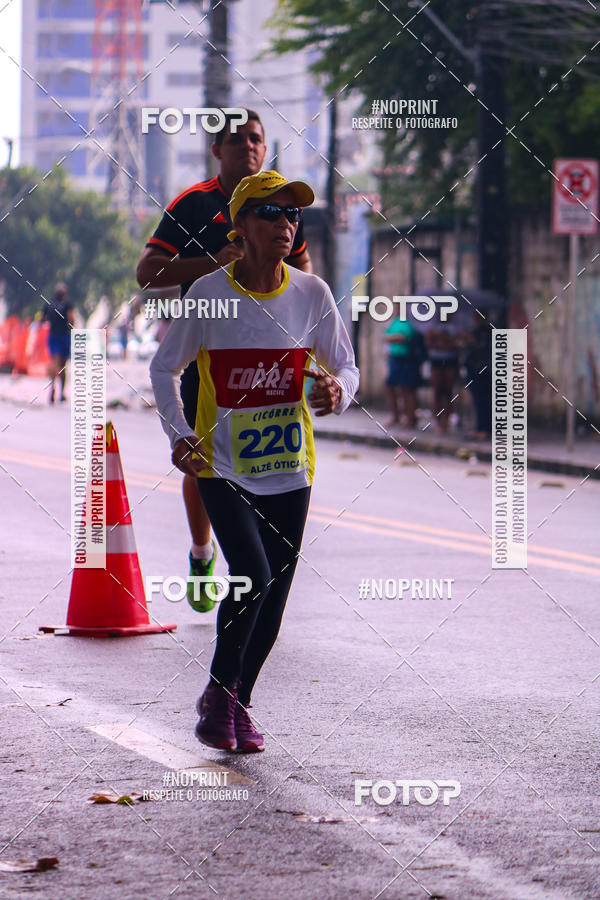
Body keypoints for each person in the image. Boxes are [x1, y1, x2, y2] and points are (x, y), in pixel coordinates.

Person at [150, 171, 359, 752]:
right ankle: (219, 695)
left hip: (291, 467)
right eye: (269, 213)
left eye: (293, 216)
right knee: (253, 577)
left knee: (276, 595)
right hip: (222, 465)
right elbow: (163, 368)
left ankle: (236, 701)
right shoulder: (211, 295)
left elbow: (348, 367)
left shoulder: (310, 295)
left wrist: (339, 392)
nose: (285, 225)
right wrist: (179, 434)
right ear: (240, 227)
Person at [137, 109, 312, 615]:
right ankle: (201, 552)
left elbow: (303, 265)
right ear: (218, 150)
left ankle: (251, 554)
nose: (248, 148)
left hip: (271, 356)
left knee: (265, 456)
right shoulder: (193, 206)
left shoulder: (279, 206)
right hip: (210, 355)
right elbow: (147, 272)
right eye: (237, 140)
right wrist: (212, 263)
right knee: (203, 459)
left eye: (256, 139)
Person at [384, 317, 426, 428]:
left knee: (408, 388)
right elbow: (387, 336)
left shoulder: (413, 320)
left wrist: (394, 338)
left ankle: (411, 418)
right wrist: (394, 338)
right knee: (390, 386)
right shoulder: (396, 320)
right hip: (395, 358)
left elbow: (404, 337)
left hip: (408, 358)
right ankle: (396, 416)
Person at [42, 283, 74, 404]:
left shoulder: (49, 304)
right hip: (64, 336)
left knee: (53, 362)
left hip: (53, 336)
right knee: (62, 365)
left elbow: (43, 319)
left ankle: (52, 387)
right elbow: (71, 319)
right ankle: (61, 393)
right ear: (64, 294)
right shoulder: (67, 305)